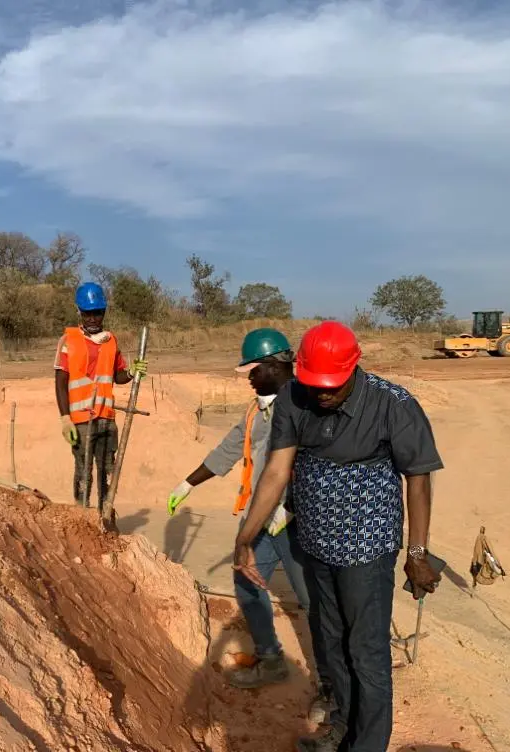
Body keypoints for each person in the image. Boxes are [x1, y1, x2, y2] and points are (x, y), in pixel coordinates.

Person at [233, 321, 444, 752]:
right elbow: (277, 470)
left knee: (366, 650)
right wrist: (246, 536)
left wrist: (417, 552)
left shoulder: (393, 405)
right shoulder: (295, 397)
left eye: (333, 386)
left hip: (367, 546)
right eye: (316, 385)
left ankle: (368, 744)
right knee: (330, 642)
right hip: (316, 544)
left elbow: (418, 482)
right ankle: (341, 730)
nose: (323, 394)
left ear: (354, 369)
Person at [166, 328, 334, 723]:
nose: (248, 377)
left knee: (314, 603)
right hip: (261, 522)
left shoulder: (309, 408)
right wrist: (187, 483)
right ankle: (271, 658)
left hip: (297, 524)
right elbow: (226, 451)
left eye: (254, 369)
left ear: (276, 365)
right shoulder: (255, 411)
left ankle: (331, 686)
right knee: (246, 583)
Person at [54, 282, 147, 509]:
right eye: (88, 313)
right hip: (81, 421)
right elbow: (60, 382)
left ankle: (105, 515)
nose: (93, 318)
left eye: (98, 313)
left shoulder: (110, 341)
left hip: (106, 418)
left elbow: (117, 376)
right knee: (83, 473)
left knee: (107, 471)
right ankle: (81, 517)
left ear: (104, 312)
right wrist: (65, 418)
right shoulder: (68, 341)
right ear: (79, 312)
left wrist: (132, 372)